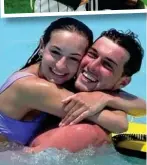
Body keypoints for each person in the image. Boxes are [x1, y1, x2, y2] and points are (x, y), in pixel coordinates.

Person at [0, 17, 145, 151]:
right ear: (42, 45)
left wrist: (106, 98)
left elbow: (142, 107)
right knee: (91, 133)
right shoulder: (34, 87)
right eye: (93, 54)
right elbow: (119, 124)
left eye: (74, 58)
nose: (61, 65)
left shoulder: (61, 76)